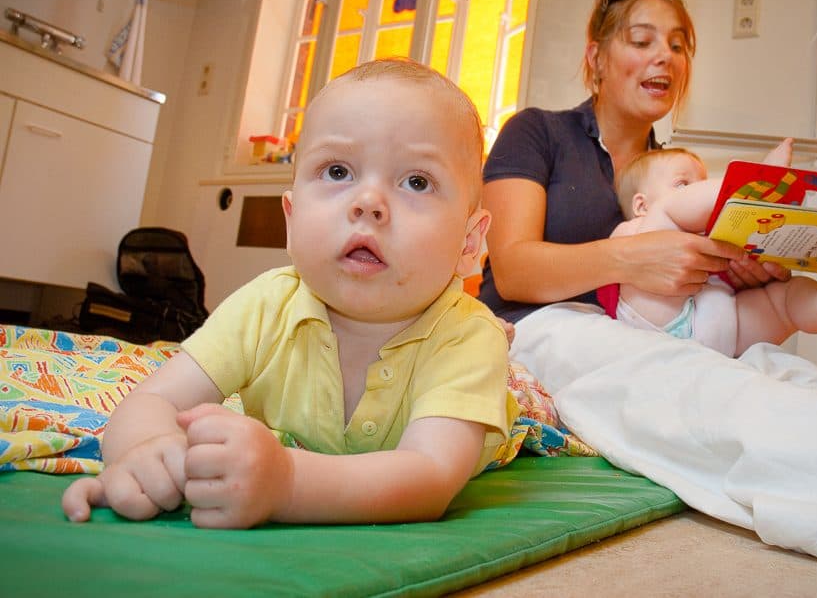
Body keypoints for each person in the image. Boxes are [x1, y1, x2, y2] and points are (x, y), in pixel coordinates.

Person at [478, 0, 817, 568]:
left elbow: (712, 288)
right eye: (642, 40)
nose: (664, 58)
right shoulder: (539, 131)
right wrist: (633, 259)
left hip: (668, 334)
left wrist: (745, 270)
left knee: (784, 376)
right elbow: (513, 269)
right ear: (595, 57)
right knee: (715, 396)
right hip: (546, 330)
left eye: (677, 45)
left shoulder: (678, 170)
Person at [62, 57, 518, 529]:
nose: (367, 203)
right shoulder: (264, 306)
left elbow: (429, 476)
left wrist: (287, 484)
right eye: (338, 171)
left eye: (417, 181)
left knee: (519, 378)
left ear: (468, 244)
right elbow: (152, 401)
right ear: (291, 217)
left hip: (474, 381)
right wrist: (148, 455)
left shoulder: (466, 337)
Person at [605, 144, 817, 357]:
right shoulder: (632, 229)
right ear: (640, 205)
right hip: (657, 321)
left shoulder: (707, 240)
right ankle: (752, 184)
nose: (697, 190)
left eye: (703, 182)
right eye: (684, 184)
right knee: (668, 211)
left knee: (780, 303)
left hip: (723, 331)